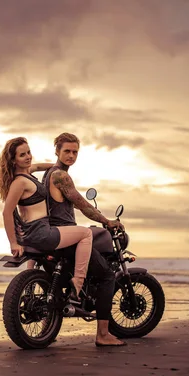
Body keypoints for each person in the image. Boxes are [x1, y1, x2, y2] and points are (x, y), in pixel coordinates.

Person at [43, 132, 126, 347]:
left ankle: (59, 311)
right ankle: (103, 335)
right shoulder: (61, 176)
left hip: (52, 235)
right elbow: (82, 204)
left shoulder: (48, 174)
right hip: (66, 236)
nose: (71, 155)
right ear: (57, 151)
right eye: (67, 151)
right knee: (107, 275)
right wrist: (107, 221)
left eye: (75, 152)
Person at [0, 137, 92, 299]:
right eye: (22, 155)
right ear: (13, 160)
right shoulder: (20, 182)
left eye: (29, 152)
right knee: (86, 234)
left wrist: (59, 166)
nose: (28, 157)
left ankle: (29, 285)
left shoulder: (26, 172)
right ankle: (78, 283)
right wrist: (13, 243)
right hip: (41, 233)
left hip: (30, 233)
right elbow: (7, 212)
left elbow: (39, 166)